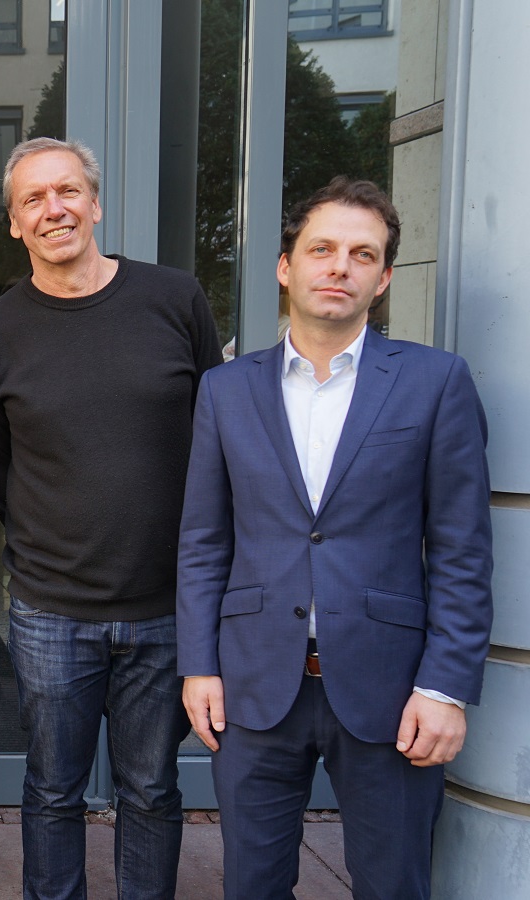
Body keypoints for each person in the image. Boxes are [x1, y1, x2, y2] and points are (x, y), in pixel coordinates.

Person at [178, 177, 493, 899]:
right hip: (255, 684)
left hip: (393, 690)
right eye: (321, 249)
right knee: (252, 885)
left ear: (383, 280)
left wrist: (445, 687)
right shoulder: (226, 389)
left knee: (393, 885)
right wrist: (199, 665)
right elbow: (203, 539)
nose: (339, 266)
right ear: (285, 267)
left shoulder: (435, 382)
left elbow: (462, 551)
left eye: (362, 254)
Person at [0, 137, 222, 899]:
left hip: (166, 607)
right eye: (33, 199)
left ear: (96, 203)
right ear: (15, 223)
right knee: (52, 790)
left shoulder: (175, 299)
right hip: (52, 610)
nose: (54, 209)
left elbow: (218, 437)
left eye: (68, 191)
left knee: (152, 789)